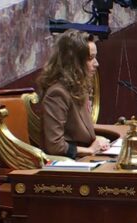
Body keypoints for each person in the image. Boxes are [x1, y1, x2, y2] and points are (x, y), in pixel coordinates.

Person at [37, 29, 110, 158]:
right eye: (90, 58)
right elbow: (54, 146)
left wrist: (95, 139)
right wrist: (90, 149)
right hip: (68, 166)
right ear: (74, 63)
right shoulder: (57, 94)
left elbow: (79, 132)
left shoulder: (78, 87)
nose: (96, 63)